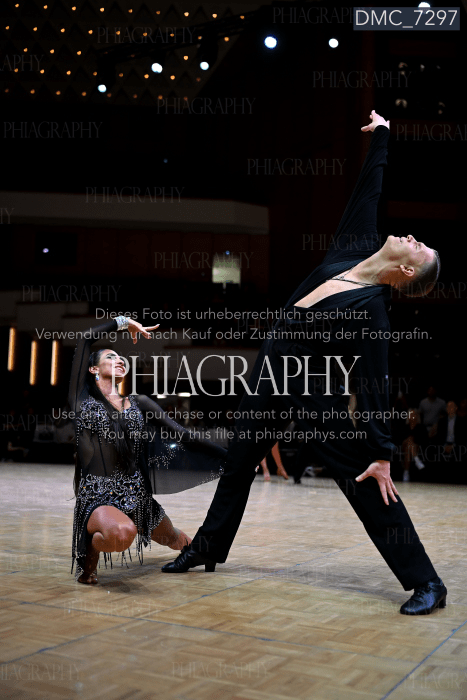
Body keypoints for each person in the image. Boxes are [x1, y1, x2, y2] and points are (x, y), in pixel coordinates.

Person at [162, 110, 446, 616]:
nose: (413, 238)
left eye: (420, 249)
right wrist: (382, 136)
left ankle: (427, 582)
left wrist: (382, 451)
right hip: (271, 374)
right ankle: (208, 547)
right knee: (239, 463)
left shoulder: (373, 313)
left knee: (363, 478)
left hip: (315, 392)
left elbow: (374, 383)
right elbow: (368, 191)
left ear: (407, 270)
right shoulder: (354, 247)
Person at [69, 316, 226, 584]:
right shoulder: (81, 401)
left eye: (121, 358)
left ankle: (201, 554)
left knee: (173, 538)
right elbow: (84, 338)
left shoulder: (138, 403)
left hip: (137, 495)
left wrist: (230, 458)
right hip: (99, 494)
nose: (119, 360)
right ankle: (89, 556)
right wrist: (124, 322)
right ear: (93, 369)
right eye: (110, 357)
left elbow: (183, 435)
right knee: (123, 532)